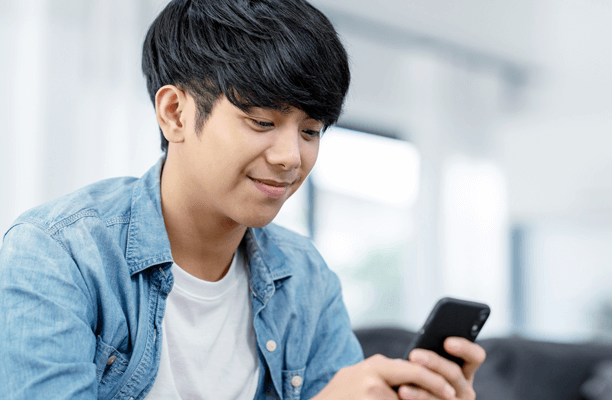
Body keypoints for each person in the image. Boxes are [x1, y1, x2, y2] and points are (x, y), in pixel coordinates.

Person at [0, 0, 486, 399]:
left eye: (311, 131)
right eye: (262, 122)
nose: (290, 157)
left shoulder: (306, 279)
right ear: (174, 113)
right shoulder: (56, 256)